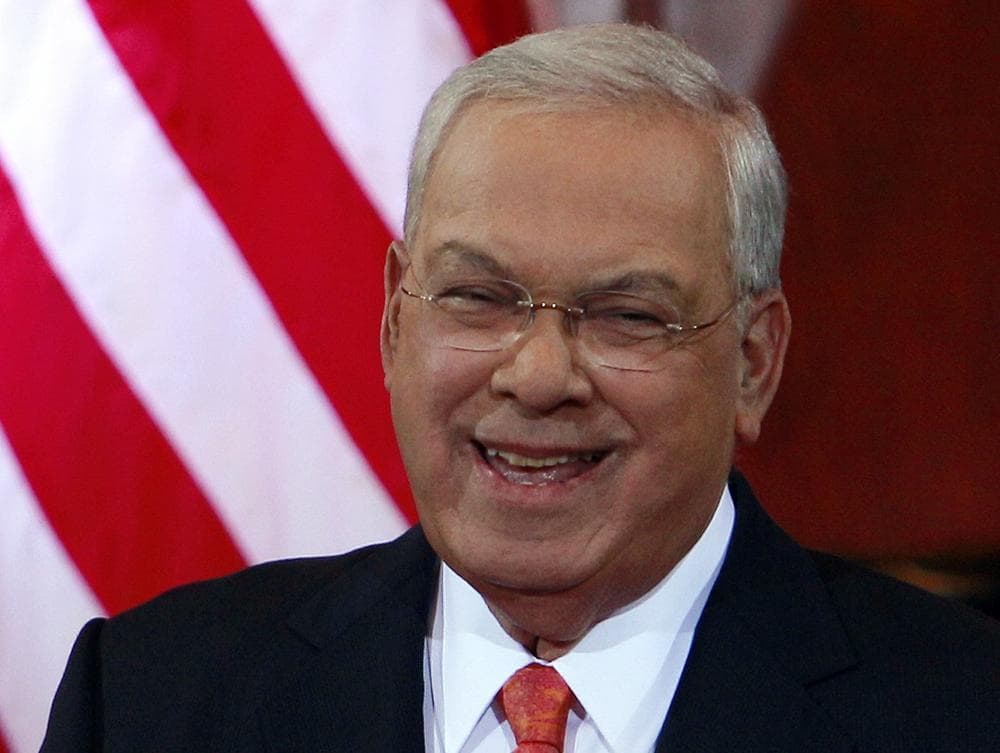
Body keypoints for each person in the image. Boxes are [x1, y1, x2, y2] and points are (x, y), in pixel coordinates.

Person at [41, 23, 998, 753]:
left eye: (626, 314)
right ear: (394, 320)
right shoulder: (149, 703)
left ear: (752, 361)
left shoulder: (963, 710)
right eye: (478, 297)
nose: (537, 376)